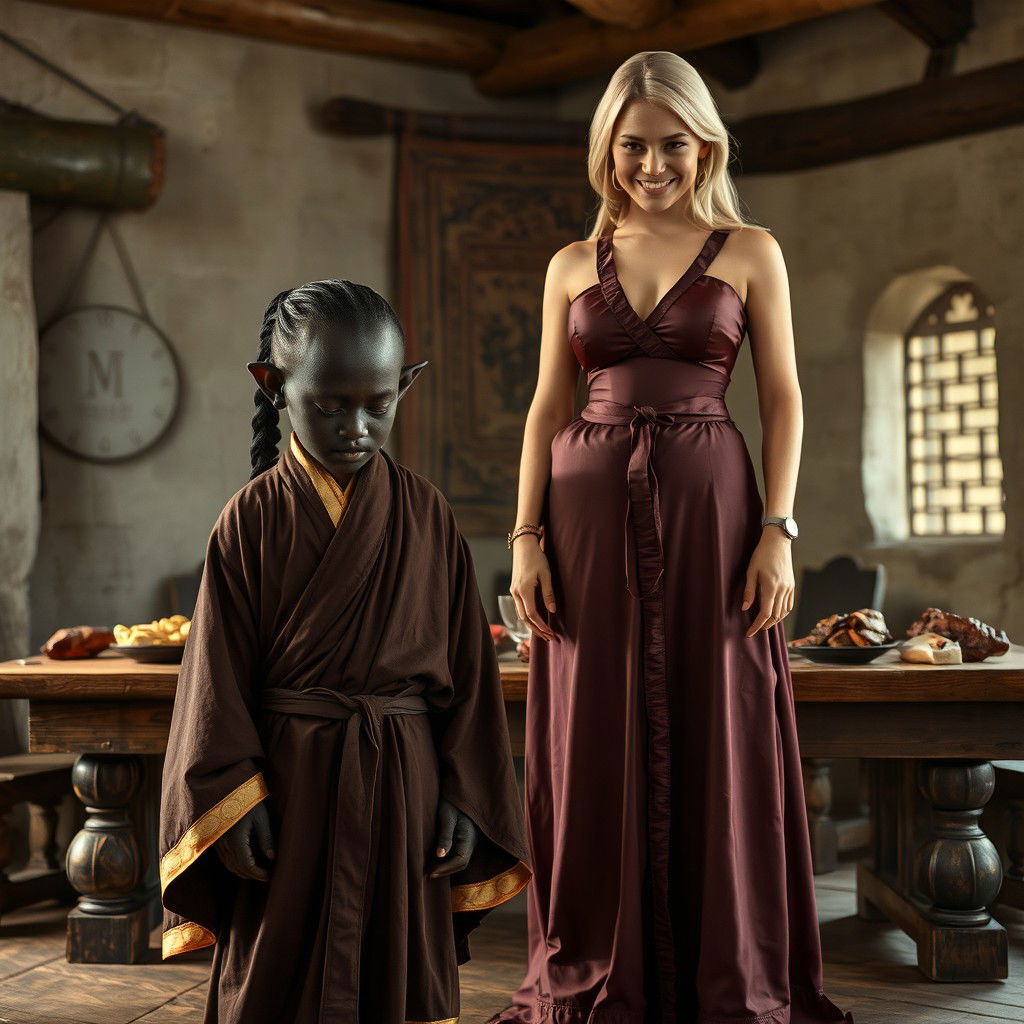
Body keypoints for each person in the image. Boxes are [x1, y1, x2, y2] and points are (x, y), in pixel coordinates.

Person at [496, 52, 853, 1024]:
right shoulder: (570, 264)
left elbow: (781, 397)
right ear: (606, 150)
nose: (654, 163)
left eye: (672, 144)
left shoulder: (749, 248)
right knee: (589, 727)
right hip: (582, 514)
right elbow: (542, 407)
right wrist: (524, 537)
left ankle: (722, 968)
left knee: (720, 716)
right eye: (633, 145)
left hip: (715, 511)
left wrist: (777, 528)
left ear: (705, 143)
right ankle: (596, 964)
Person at [159, 280, 532, 1024]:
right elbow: (214, 686)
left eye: (379, 404)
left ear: (405, 388)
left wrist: (463, 792)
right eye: (330, 405)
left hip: (405, 788)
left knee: (395, 977)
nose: (357, 426)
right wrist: (232, 801)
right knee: (277, 975)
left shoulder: (427, 514)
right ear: (274, 387)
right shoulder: (251, 520)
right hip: (288, 792)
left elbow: (466, 676)